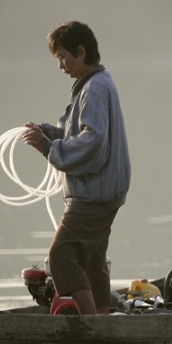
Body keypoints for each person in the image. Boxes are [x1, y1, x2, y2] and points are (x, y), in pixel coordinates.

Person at [22, 21, 131, 315]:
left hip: (93, 194)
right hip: (106, 191)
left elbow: (92, 141)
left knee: (62, 256)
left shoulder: (94, 89)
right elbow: (74, 131)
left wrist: (48, 148)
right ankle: (104, 319)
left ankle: (92, 325)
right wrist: (46, 132)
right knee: (92, 258)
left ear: (81, 52)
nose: (61, 65)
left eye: (63, 57)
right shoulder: (94, 84)